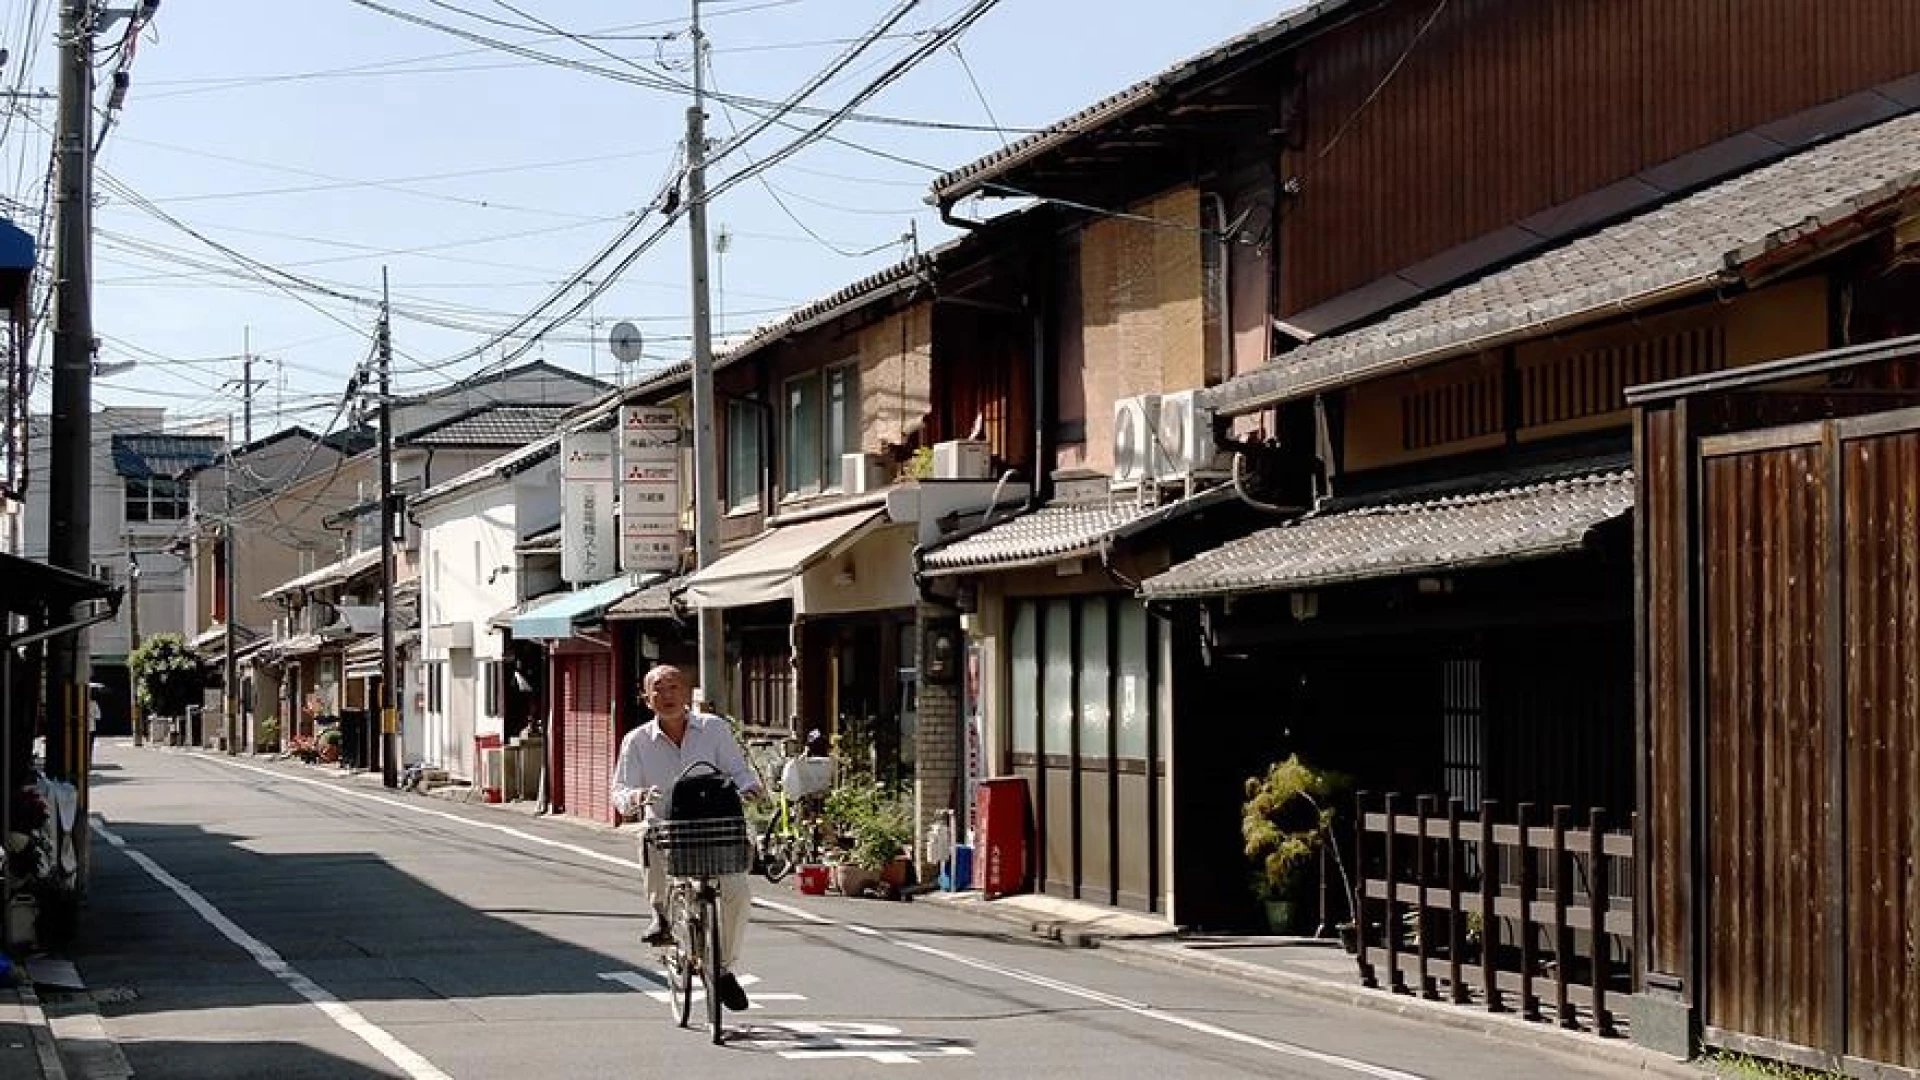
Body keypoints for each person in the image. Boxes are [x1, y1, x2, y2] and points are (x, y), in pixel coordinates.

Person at [611, 664, 762, 1012]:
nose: (667, 695)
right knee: (649, 838)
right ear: (646, 698)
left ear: (687, 692)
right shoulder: (636, 741)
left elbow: (737, 770)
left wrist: (749, 786)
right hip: (668, 828)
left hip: (714, 827)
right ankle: (661, 913)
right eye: (658, 689)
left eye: (674, 687)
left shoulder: (714, 729)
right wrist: (637, 797)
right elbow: (620, 791)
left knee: (738, 893)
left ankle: (722, 969)